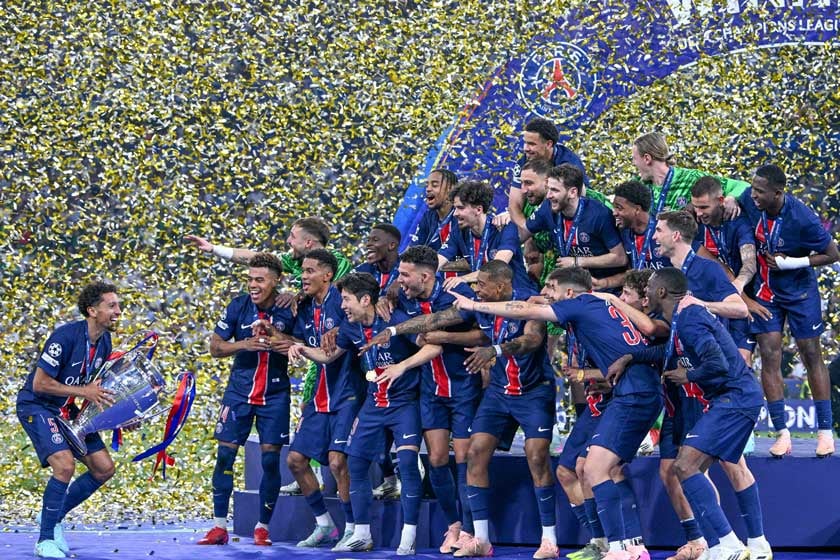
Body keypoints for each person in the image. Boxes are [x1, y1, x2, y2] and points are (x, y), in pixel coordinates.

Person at [448, 267, 661, 560]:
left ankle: (624, 546)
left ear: (570, 294)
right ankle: (612, 544)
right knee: (581, 467)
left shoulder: (580, 304)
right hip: (624, 394)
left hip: (631, 394)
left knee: (598, 469)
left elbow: (523, 310)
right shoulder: (596, 305)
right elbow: (533, 302)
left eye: (551, 286)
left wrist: (473, 305)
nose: (546, 292)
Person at [368, 260, 559, 559]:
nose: (476, 290)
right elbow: (436, 320)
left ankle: (549, 540)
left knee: (537, 457)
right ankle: (480, 538)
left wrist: (495, 350)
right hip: (498, 393)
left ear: (500, 287)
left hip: (533, 392)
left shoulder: (526, 301)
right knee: (474, 453)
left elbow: (532, 340)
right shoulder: (478, 303)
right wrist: (393, 330)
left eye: (481, 285)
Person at [611, 268, 771, 560]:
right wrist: (632, 356)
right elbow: (668, 353)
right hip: (732, 398)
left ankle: (729, 545)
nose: (645, 293)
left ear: (661, 292)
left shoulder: (690, 318)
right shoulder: (682, 317)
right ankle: (749, 545)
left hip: (734, 398)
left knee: (685, 466)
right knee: (691, 466)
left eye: (648, 288)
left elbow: (718, 364)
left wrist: (690, 374)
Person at [288, 272, 441, 554]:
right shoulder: (350, 328)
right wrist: (301, 349)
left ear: (366, 299)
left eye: (346, 300)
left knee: (407, 464)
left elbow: (434, 345)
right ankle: (361, 534)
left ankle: (409, 535)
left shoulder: (395, 321)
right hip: (373, 404)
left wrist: (402, 366)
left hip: (404, 403)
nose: (342, 305)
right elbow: (327, 356)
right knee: (355, 464)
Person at [365, 245, 484, 554]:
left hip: (462, 387)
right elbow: (416, 330)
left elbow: (481, 336)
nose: (399, 280)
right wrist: (385, 298)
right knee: (436, 459)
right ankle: (453, 526)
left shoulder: (454, 298)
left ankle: (471, 532)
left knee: (463, 458)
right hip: (430, 390)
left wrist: (444, 337)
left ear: (426, 276)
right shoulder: (401, 298)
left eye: (405, 275)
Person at [737, 164, 840, 457]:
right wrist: (730, 201)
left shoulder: (802, 217)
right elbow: (731, 191)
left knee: (810, 354)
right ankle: (781, 433)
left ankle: (824, 432)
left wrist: (792, 263)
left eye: (759, 191)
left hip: (799, 291)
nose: (753, 195)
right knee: (769, 355)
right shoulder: (748, 199)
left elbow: (833, 254)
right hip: (766, 291)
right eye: (752, 188)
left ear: (778, 193)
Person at [197, 253, 296, 547]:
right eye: (250, 279)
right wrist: (245, 344)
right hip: (238, 393)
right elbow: (215, 347)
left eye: (259, 280)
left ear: (276, 281)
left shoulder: (289, 308)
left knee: (269, 461)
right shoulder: (238, 306)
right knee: (225, 456)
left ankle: (262, 528)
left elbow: (300, 345)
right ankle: (218, 527)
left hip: (275, 395)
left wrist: (274, 335)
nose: (253, 285)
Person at [17, 282, 121, 558]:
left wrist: (119, 417)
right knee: (64, 465)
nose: (118, 311)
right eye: (111, 306)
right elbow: (39, 384)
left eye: (118, 305)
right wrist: (82, 391)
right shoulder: (64, 337)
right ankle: (45, 539)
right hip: (37, 405)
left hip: (67, 407)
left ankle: (52, 519)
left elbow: (94, 390)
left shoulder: (105, 342)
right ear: (92, 310)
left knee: (103, 468)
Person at [280, 249, 366, 548]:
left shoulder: (342, 303)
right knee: (295, 460)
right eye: (302, 271)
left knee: (337, 463)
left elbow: (332, 352)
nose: (303, 277)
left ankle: (353, 529)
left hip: (348, 393)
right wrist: (275, 334)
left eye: (310, 271)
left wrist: (302, 348)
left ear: (328, 275)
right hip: (320, 396)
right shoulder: (304, 307)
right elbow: (294, 339)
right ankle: (324, 524)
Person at [516, 163, 627, 289]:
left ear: (573, 192)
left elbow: (620, 258)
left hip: (602, 284)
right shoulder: (547, 208)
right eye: (548, 189)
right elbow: (521, 234)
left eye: (555, 190)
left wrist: (577, 261)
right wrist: (506, 220)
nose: (548, 196)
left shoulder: (599, 215)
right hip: (573, 281)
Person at [690, 176, 758, 362]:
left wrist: (738, 286)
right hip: (709, 299)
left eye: (704, 207)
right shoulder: (693, 225)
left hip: (739, 297)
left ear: (721, 201)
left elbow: (750, 264)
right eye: (695, 206)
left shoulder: (738, 223)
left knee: (742, 360)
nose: (699, 213)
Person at [438, 179, 536, 292]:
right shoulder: (459, 232)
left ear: (478, 209)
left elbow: (497, 268)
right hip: (486, 296)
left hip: (517, 295)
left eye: (460, 208)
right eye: (455, 208)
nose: (455, 213)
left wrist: (463, 279)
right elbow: (438, 260)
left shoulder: (505, 227)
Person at [630, 132, 747, 217]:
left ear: (647, 158)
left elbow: (742, 185)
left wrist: (732, 198)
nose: (633, 163)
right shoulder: (639, 186)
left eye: (634, 158)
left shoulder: (690, 178)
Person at [409, 168, 459, 251]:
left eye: (434, 185)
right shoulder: (428, 217)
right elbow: (412, 250)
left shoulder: (461, 217)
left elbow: (470, 259)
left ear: (450, 189)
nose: (428, 189)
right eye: (427, 186)